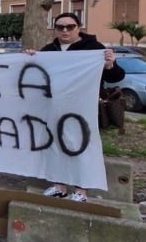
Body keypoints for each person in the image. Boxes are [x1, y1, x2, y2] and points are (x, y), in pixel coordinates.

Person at [30, 12, 126, 202]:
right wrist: (31, 58)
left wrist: (109, 64)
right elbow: (36, 75)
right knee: (56, 145)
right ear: (55, 29)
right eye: (60, 27)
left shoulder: (94, 49)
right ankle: (59, 186)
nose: (65, 31)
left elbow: (116, 77)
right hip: (56, 109)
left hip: (85, 110)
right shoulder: (49, 50)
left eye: (70, 26)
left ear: (79, 27)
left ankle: (81, 190)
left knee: (84, 146)